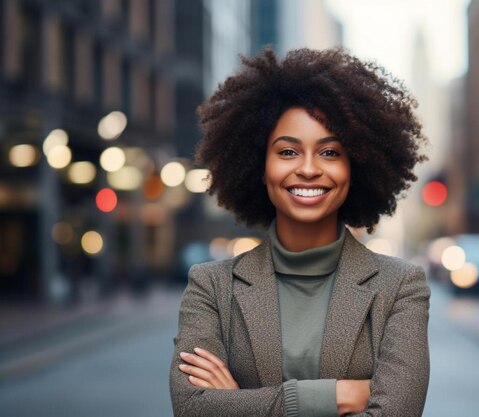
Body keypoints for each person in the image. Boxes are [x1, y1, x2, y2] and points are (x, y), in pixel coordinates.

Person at [169, 46, 431, 417]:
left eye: (329, 153)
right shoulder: (211, 286)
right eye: (288, 152)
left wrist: (237, 402)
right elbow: (193, 409)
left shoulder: (401, 287)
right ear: (260, 168)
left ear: (355, 167)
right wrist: (338, 397)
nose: (308, 169)